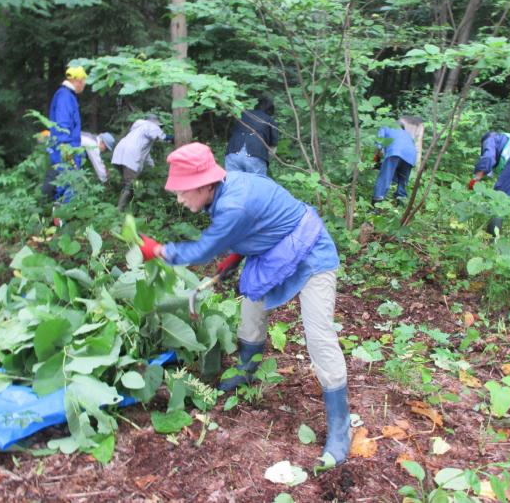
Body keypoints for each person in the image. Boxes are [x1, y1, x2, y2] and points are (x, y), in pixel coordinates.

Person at [138, 142, 351, 466]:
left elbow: (201, 251)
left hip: (311, 255)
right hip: (275, 251)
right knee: (251, 306)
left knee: (319, 337)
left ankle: (340, 426)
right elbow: (261, 221)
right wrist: (235, 257)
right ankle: (247, 370)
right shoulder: (228, 189)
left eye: (183, 191)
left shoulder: (233, 204)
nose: (180, 199)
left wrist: (157, 251)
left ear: (206, 183)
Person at [42, 65, 87, 201]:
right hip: (66, 152)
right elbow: (63, 126)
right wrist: (67, 152)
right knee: (66, 189)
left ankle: (59, 218)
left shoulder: (67, 96)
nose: (84, 85)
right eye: (84, 81)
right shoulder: (65, 97)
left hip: (68, 150)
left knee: (67, 187)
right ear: (78, 80)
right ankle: (62, 220)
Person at [111, 114, 174, 211]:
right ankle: (119, 210)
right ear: (155, 123)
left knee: (127, 183)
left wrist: (152, 167)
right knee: (129, 186)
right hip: (130, 155)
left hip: (118, 154)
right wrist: (172, 138)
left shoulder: (137, 131)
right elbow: (162, 137)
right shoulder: (150, 126)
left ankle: (125, 206)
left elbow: (145, 154)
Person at [225, 97, 278, 176]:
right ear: (271, 110)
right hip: (256, 156)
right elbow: (273, 147)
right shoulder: (269, 121)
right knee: (255, 186)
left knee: (233, 184)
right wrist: (266, 159)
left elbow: (230, 137)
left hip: (232, 153)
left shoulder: (242, 114)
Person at [371, 121, 418, 206]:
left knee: (385, 177)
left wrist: (376, 158)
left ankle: (377, 203)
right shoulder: (407, 134)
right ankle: (401, 203)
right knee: (402, 179)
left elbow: (379, 144)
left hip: (395, 152)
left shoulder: (385, 126)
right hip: (411, 156)